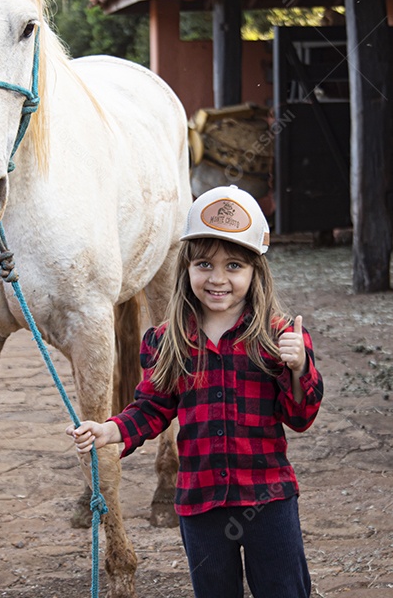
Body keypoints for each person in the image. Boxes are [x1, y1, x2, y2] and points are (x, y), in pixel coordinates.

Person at [67, 184, 323, 598]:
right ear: (186, 268)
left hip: (268, 501)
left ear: (256, 271)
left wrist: (298, 368)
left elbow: (300, 417)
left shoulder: (280, 335)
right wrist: (110, 431)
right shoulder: (168, 340)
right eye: (204, 264)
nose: (217, 279)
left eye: (234, 266)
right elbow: (151, 408)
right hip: (200, 504)